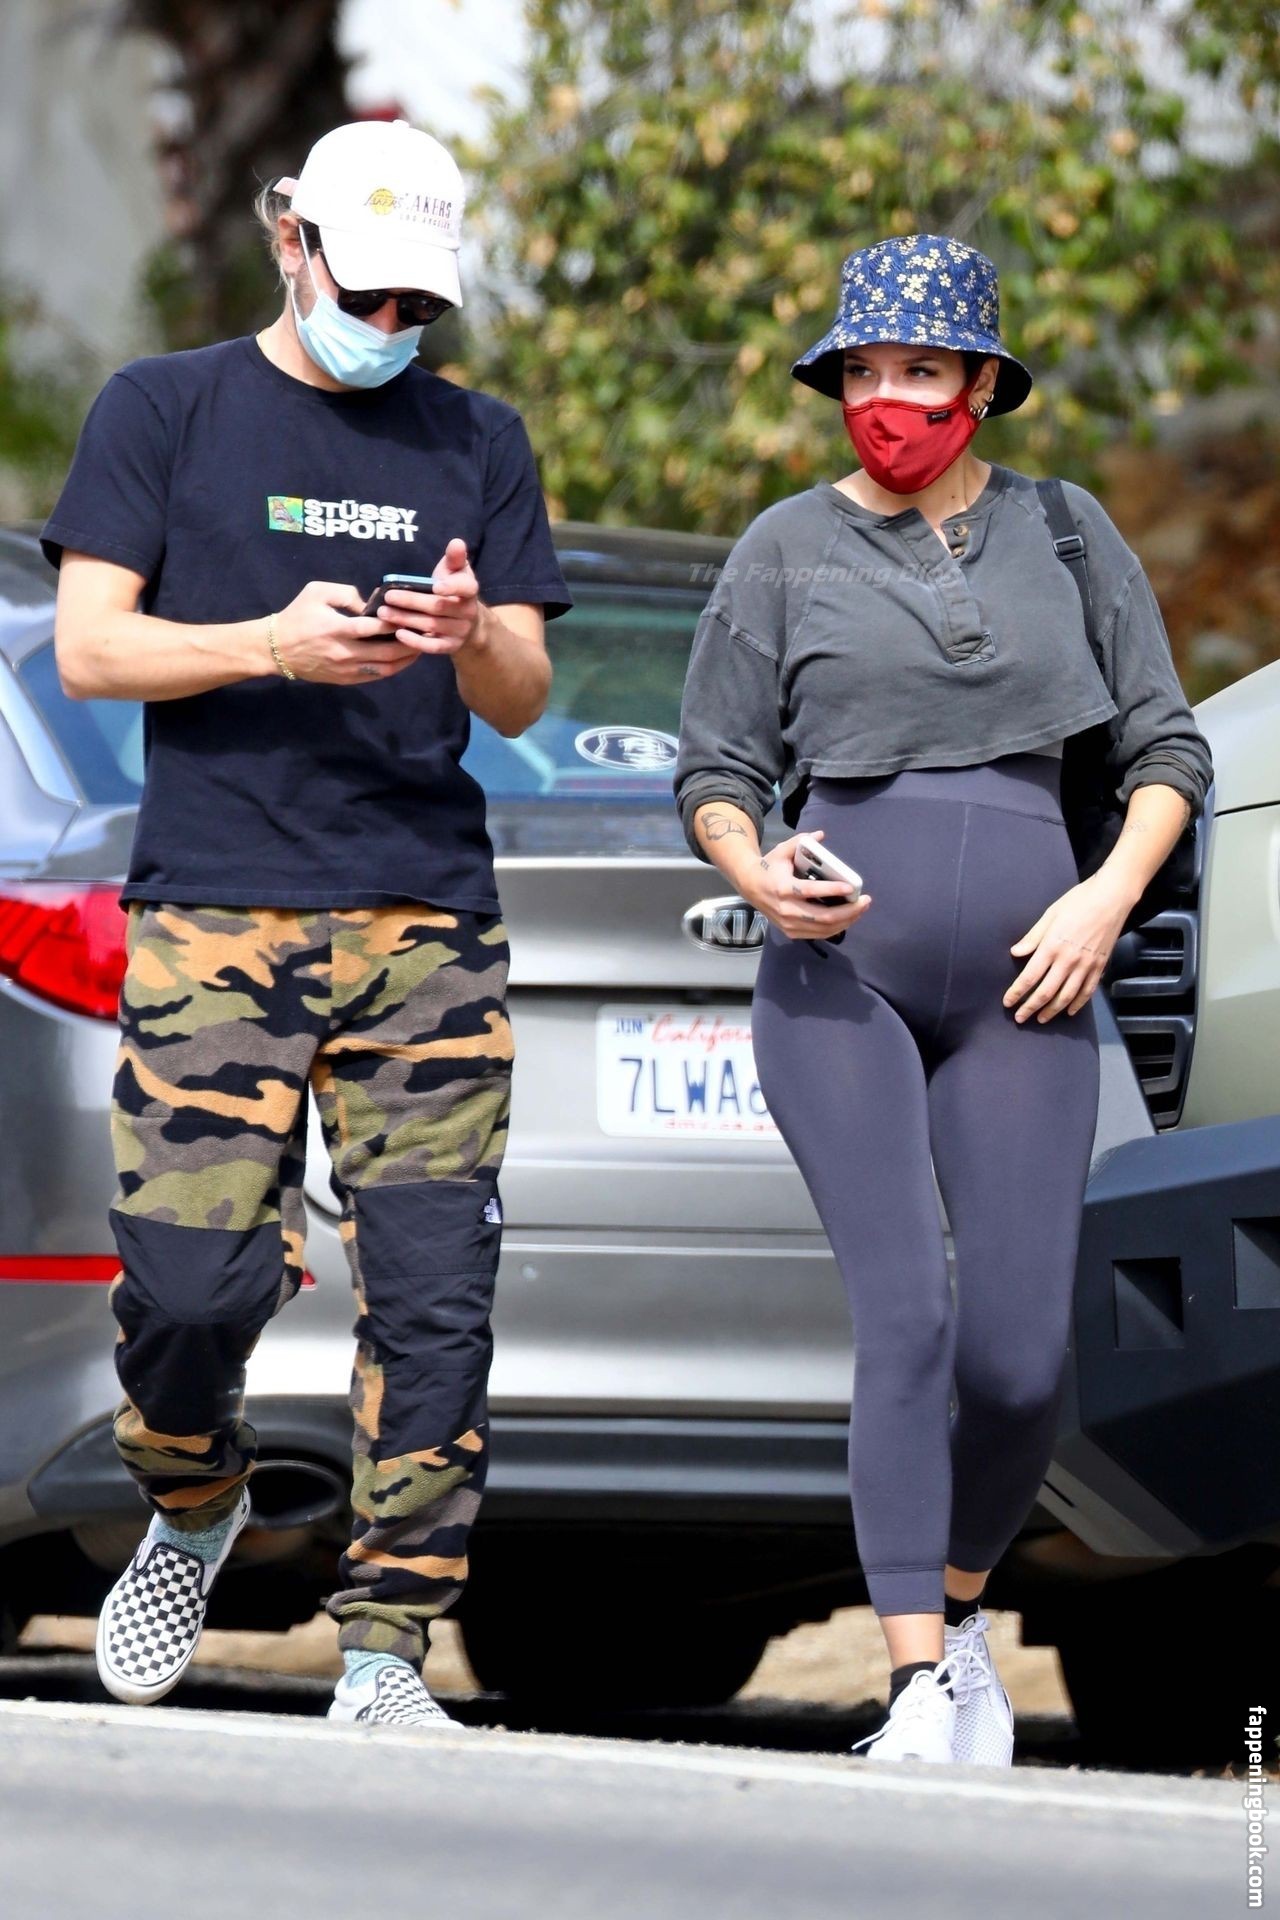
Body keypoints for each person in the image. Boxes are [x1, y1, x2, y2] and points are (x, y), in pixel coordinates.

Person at [42, 118, 572, 1728]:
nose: (391, 326)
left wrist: (470, 634)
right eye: (368, 292)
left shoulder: (477, 438)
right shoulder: (164, 408)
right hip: (217, 911)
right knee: (188, 1293)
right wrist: (269, 643)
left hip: (427, 923)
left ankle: (386, 1650)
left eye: (421, 305)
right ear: (293, 242)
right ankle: (194, 1498)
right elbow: (91, 650)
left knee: (434, 1303)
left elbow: (522, 691)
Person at [674, 233, 1212, 1767]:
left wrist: (1104, 900)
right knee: (906, 1312)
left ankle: (962, 1618)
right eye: (862, 371)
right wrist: (758, 867)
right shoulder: (784, 547)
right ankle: (912, 1678)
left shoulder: (1068, 531)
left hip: (1032, 989)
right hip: (840, 976)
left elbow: (1169, 749)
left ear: (981, 384)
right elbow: (717, 768)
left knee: (1024, 1358)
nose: (886, 399)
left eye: (919, 370)